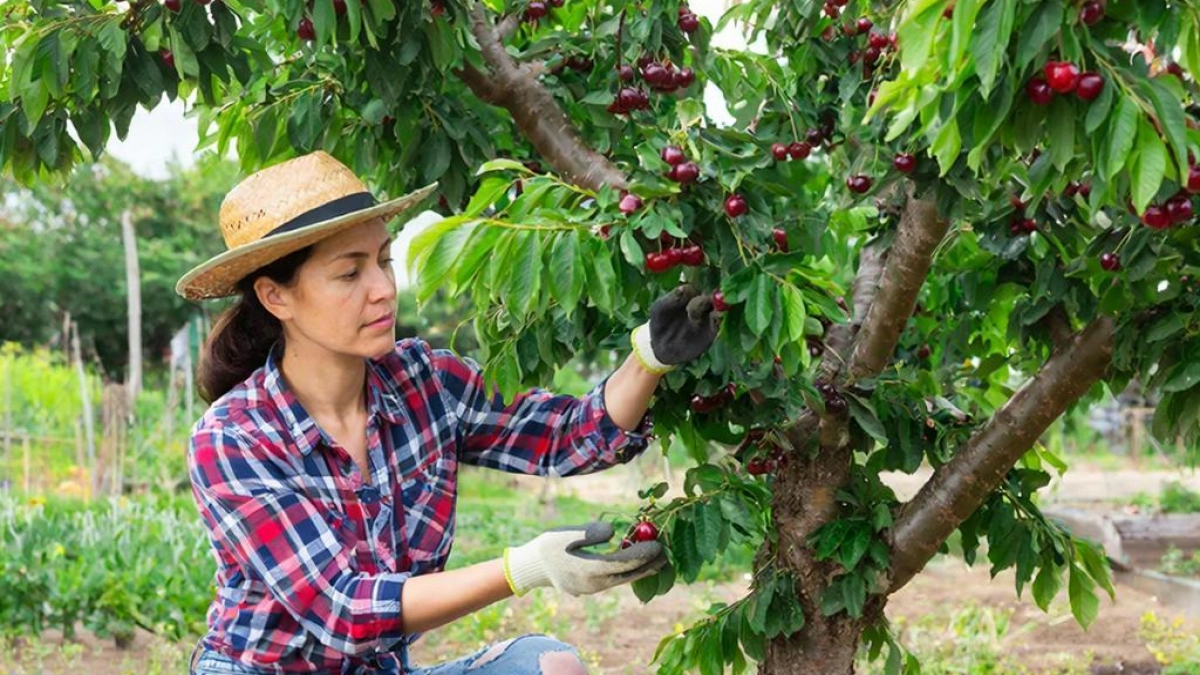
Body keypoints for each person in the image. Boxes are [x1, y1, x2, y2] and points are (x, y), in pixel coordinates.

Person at [176, 151, 720, 675]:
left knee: (553, 666)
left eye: (384, 262)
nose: (383, 290)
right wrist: (527, 568)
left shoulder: (424, 381)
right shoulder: (233, 438)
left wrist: (648, 357)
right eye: (350, 274)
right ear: (276, 297)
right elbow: (344, 610)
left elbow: (566, 435)